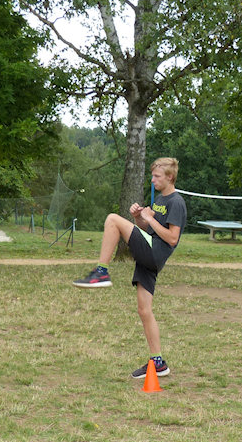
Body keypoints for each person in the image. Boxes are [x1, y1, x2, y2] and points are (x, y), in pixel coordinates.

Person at [73, 157, 187, 379]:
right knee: (144, 310)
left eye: (157, 176)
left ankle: (101, 272)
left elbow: (172, 238)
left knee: (113, 219)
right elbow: (149, 230)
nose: (152, 180)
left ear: (170, 177)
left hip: (155, 253)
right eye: (152, 175)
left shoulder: (176, 202)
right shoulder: (160, 200)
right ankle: (158, 362)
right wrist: (138, 218)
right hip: (150, 253)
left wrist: (150, 220)